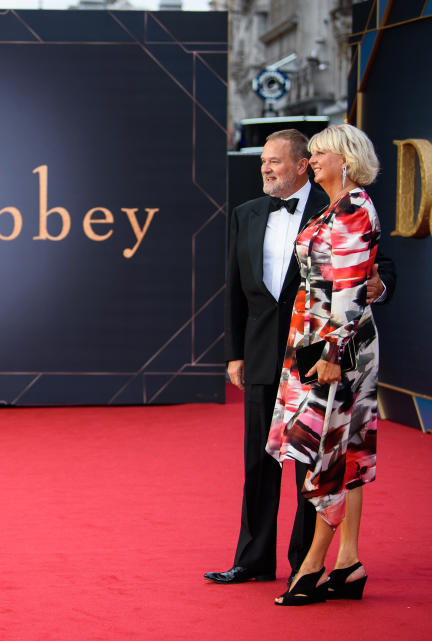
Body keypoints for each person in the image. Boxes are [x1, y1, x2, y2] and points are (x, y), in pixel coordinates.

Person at [205, 129, 395, 587]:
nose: (266, 168)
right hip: (264, 353)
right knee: (259, 461)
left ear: (301, 164)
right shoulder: (246, 214)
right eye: (263, 162)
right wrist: (234, 354)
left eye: (275, 160)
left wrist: (378, 286)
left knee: (312, 458)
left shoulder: (336, 207)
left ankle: (305, 563)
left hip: (315, 353)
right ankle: (252, 560)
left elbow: (374, 266)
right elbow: (235, 289)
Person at [267, 124, 384, 605]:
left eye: (320, 153)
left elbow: (351, 294)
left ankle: (313, 565)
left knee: (326, 453)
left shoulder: (355, 210)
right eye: (311, 153)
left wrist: (334, 354)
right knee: (347, 450)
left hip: (337, 348)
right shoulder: (336, 209)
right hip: (316, 343)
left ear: (347, 159)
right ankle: (349, 562)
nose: (312, 160)